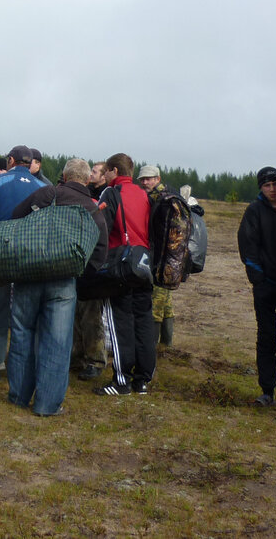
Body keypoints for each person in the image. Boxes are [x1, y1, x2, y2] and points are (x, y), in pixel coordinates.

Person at [6, 159, 108, 415]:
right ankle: (47, 405)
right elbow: (99, 252)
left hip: (29, 274)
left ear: (63, 175)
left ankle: (18, 396)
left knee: (22, 333)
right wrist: (78, 273)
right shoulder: (92, 208)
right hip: (64, 282)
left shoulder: (47, 193)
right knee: (58, 343)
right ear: (87, 180)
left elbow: (15, 218)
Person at [0, 145, 45, 383]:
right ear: (30, 162)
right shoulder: (43, 187)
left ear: (11, 160)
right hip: (32, 255)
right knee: (28, 313)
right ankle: (23, 366)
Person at [93, 153, 156, 396]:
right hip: (144, 263)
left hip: (121, 264)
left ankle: (122, 380)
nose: (105, 175)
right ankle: (142, 379)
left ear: (114, 171)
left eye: (107, 171)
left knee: (120, 322)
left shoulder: (110, 193)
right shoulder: (143, 194)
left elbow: (102, 227)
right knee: (143, 321)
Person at [237, 166, 276, 407]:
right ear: (261, 188)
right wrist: (258, 279)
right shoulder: (254, 211)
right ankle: (267, 390)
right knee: (266, 338)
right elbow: (247, 247)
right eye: (267, 185)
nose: (273, 190)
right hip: (264, 286)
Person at [70, 159, 110, 379]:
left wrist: (95, 265)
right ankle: (76, 356)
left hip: (93, 264)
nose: (92, 175)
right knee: (76, 313)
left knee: (91, 316)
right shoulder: (88, 194)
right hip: (79, 263)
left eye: (96, 172)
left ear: (104, 176)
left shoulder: (106, 197)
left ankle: (95, 360)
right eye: (91, 171)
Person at [137, 164, 176, 346]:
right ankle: (166, 344)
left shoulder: (164, 200)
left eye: (149, 179)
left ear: (157, 179)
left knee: (157, 303)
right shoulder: (160, 196)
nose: (145, 182)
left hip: (163, 258)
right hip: (165, 257)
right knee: (165, 302)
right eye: (142, 179)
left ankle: (150, 348)